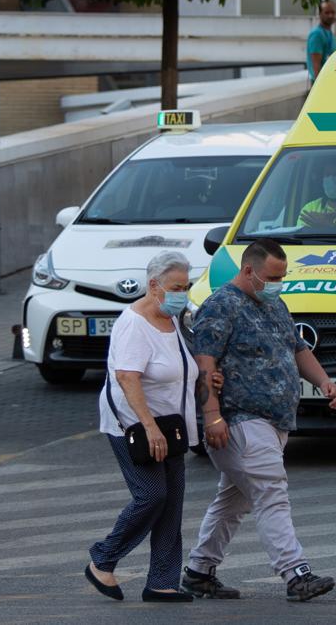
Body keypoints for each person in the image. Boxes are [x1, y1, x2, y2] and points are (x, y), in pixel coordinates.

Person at [181, 238, 336, 602]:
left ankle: (198, 571)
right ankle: (295, 572)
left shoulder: (275, 304)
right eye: (273, 277)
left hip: (274, 422)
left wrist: (323, 381)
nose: (278, 284)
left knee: (232, 501)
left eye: (282, 277)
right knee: (271, 491)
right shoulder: (221, 306)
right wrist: (212, 418)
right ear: (249, 270)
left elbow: (297, 348)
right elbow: (204, 365)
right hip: (239, 420)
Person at [85, 251, 219, 604]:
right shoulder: (134, 323)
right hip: (134, 424)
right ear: (154, 285)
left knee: (171, 503)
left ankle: (162, 582)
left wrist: (203, 376)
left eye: (186, 286)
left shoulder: (171, 317)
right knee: (152, 496)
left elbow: (177, 365)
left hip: (171, 426)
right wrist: (149, 427)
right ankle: (103, 558)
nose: (183, 293)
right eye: (176, 286)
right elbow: (127, 378)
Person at [299, 163, 336, 228]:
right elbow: (300, 237)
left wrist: (329, 228)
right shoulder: (310, 209)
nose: (331, 179)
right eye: (327, 175)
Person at [306, 0, 336, 86]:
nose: (330, 15)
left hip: (329, 82)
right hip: (320, 84)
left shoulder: (329, 33)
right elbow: (316, 66)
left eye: (333, 12)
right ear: (320, 14)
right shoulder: (317, 34)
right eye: (327, 13)